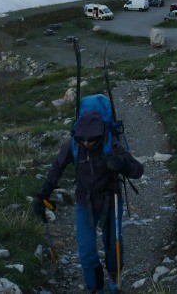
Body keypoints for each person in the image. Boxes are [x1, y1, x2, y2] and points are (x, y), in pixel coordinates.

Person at [34, 104, 144, 293]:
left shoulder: (112, 145)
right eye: (82, 140)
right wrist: (42, 194)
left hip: (111, 200)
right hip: (85, 201)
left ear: (99, 135)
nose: (86, 144)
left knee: (112, 245)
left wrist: (122, 163)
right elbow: (56, 168)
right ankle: (95, 287)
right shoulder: (73, 145)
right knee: (85, 251)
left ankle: (113, 273)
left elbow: (137, 171)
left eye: (90, 141)